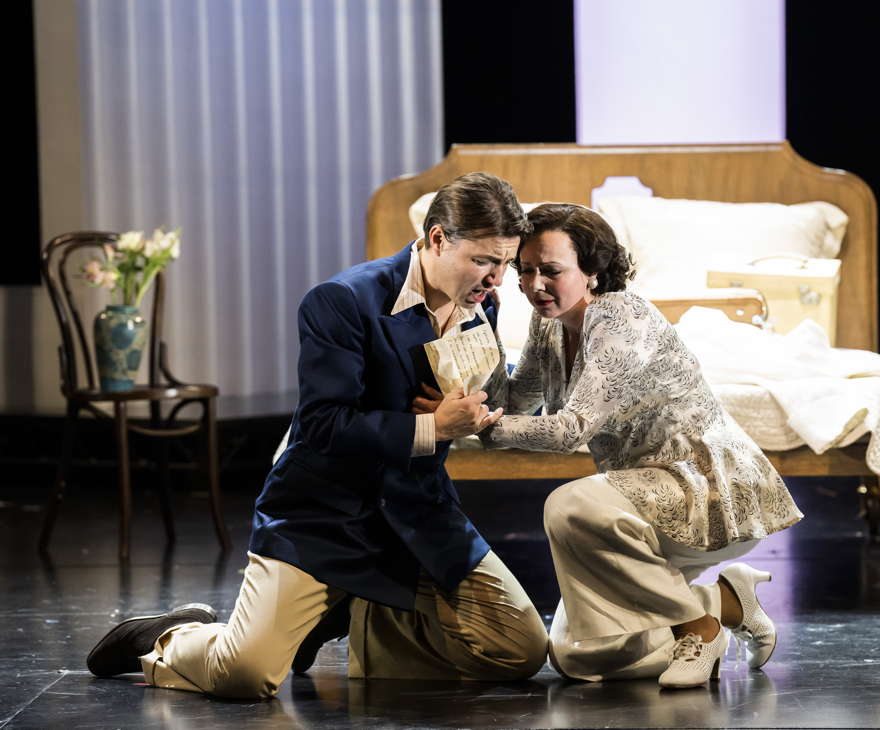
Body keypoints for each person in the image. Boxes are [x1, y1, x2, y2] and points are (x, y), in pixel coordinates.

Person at [85, 172, 549, 698]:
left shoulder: (481, 302)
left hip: (417, 511)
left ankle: (341, 615)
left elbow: (468, 386)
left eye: (506, 262)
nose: (497, 278)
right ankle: (175, 633)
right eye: (485, 261)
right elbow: (324, 425)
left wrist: (471, 411)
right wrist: (435, 426)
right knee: (245, 676)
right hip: (325, 513)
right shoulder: (341, 301)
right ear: (438, 238)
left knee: (520, 649)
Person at [479, 203, 803, 689]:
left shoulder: (620, 317)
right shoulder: (548, 324)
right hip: (635, 504)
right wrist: (484, 328)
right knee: (577, 655)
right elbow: (517, 401)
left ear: (592, 271)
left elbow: (570, 430)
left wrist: (482, 428)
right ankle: (726, 602)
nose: (534, 285)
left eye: (551, 271)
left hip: (705, 487)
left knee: (569, 506)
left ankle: (698, 628)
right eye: (524, 271)